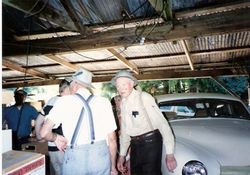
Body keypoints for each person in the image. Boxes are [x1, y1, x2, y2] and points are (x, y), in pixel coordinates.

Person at [39, 68, 118, 175]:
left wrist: (55, 138)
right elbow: (112, 139)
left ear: (75, 84)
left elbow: (43, 133)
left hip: (75, 158)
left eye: (70, 83)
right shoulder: (104, 102)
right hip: (100, 157)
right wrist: (112, 166)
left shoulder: (63, 102)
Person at [111, 70, 177, 175]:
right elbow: (125, 132)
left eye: (124, 84)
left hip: (151, 143)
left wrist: (170, 154)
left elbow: (163, 124)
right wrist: (122, 156)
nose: (120, 89)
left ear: (132, 84)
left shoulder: (144, 97)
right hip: (135, 145)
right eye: (118, 86)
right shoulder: (123, 103)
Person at [35, 78, 71, 175]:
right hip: (64, 145)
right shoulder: (68, 101)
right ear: (68, 88)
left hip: (51, 145)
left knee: (57, 171)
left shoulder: (51, 100)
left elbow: (38, 120)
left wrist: (39, 137)